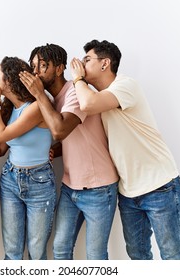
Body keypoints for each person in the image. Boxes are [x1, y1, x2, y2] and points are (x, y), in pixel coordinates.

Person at [70, 39, 180, 260]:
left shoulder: (125, 85)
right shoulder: (99, 96)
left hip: (159, 186)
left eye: (87, 59)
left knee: (173, 255)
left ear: (105, 63)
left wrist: (77, 77)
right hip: (128, 192)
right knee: (137, 255)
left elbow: (88, 104)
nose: (81, 64)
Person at [19, 44, 119, 260]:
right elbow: (73, 135)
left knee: (95, 257)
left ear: (59, 68)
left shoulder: (75, 92)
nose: (36, 72)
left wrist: (38, 94)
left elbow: (60, 129)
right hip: (69, 187)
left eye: (43, 66)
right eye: (33, 66)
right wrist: (56, 150)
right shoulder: (53, 100)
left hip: (98, 188)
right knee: (61, 249)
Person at [0, 56, 56, 260]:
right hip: (10, 179)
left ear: (9, 79)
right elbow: (5, 142)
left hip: (39, 182)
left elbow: (1, 134)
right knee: (12, 251)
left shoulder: (35, 107)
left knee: (36, 251)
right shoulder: (11, 108)